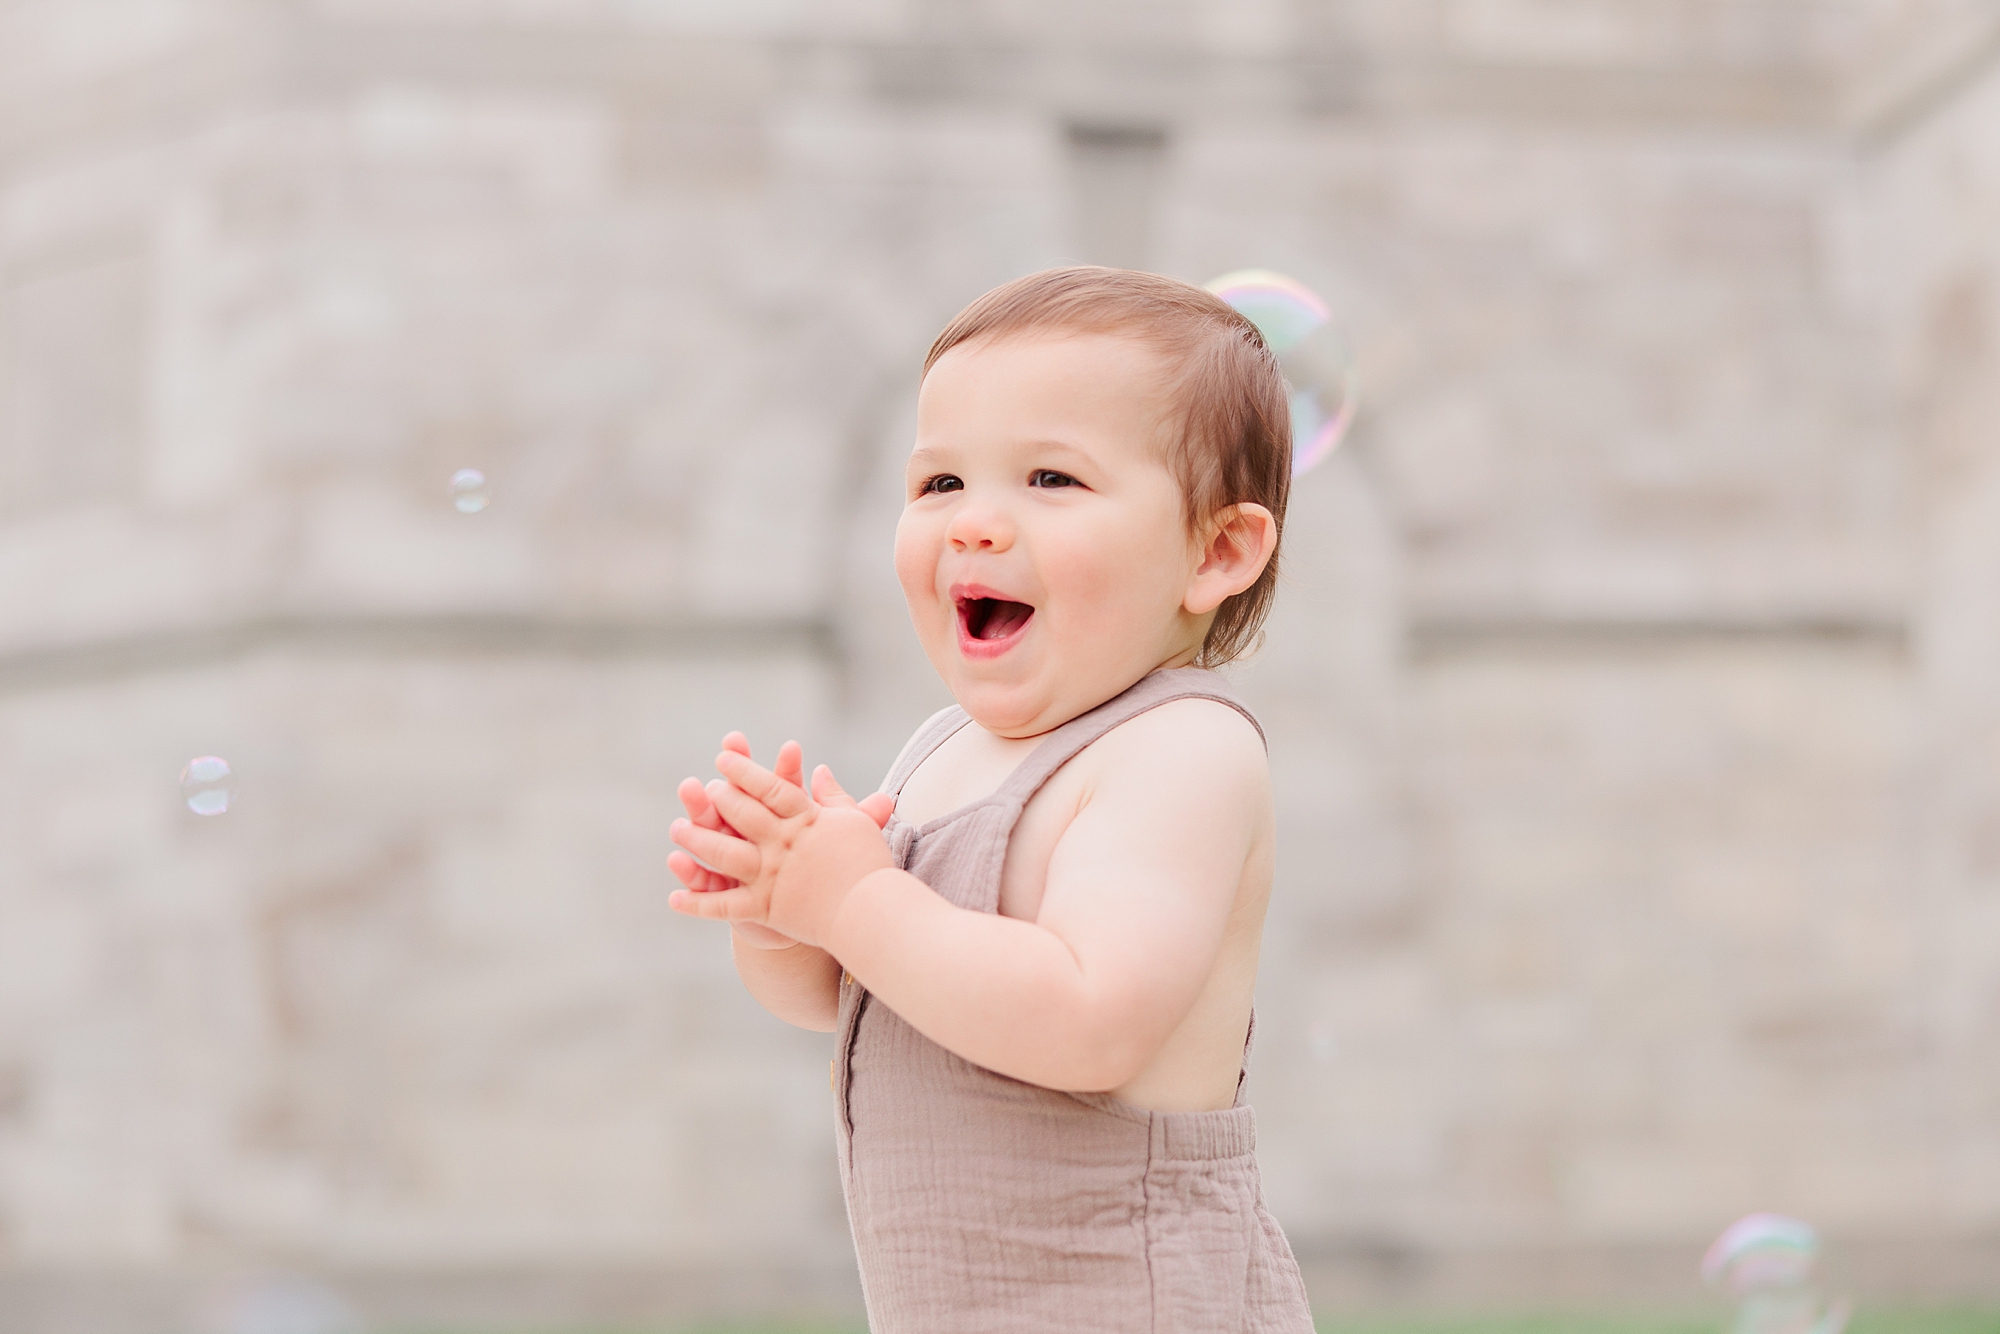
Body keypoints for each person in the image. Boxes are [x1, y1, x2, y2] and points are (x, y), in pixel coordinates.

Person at [665, 267, 1315, 1333]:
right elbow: (868, 997)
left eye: (1050, 478)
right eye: (938, 485)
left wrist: (853, 900)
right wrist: (786, 909)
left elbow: (1086, 1020)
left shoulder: (1179, 750)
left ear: (1216, 550)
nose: (972, 523)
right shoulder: (944, 750)